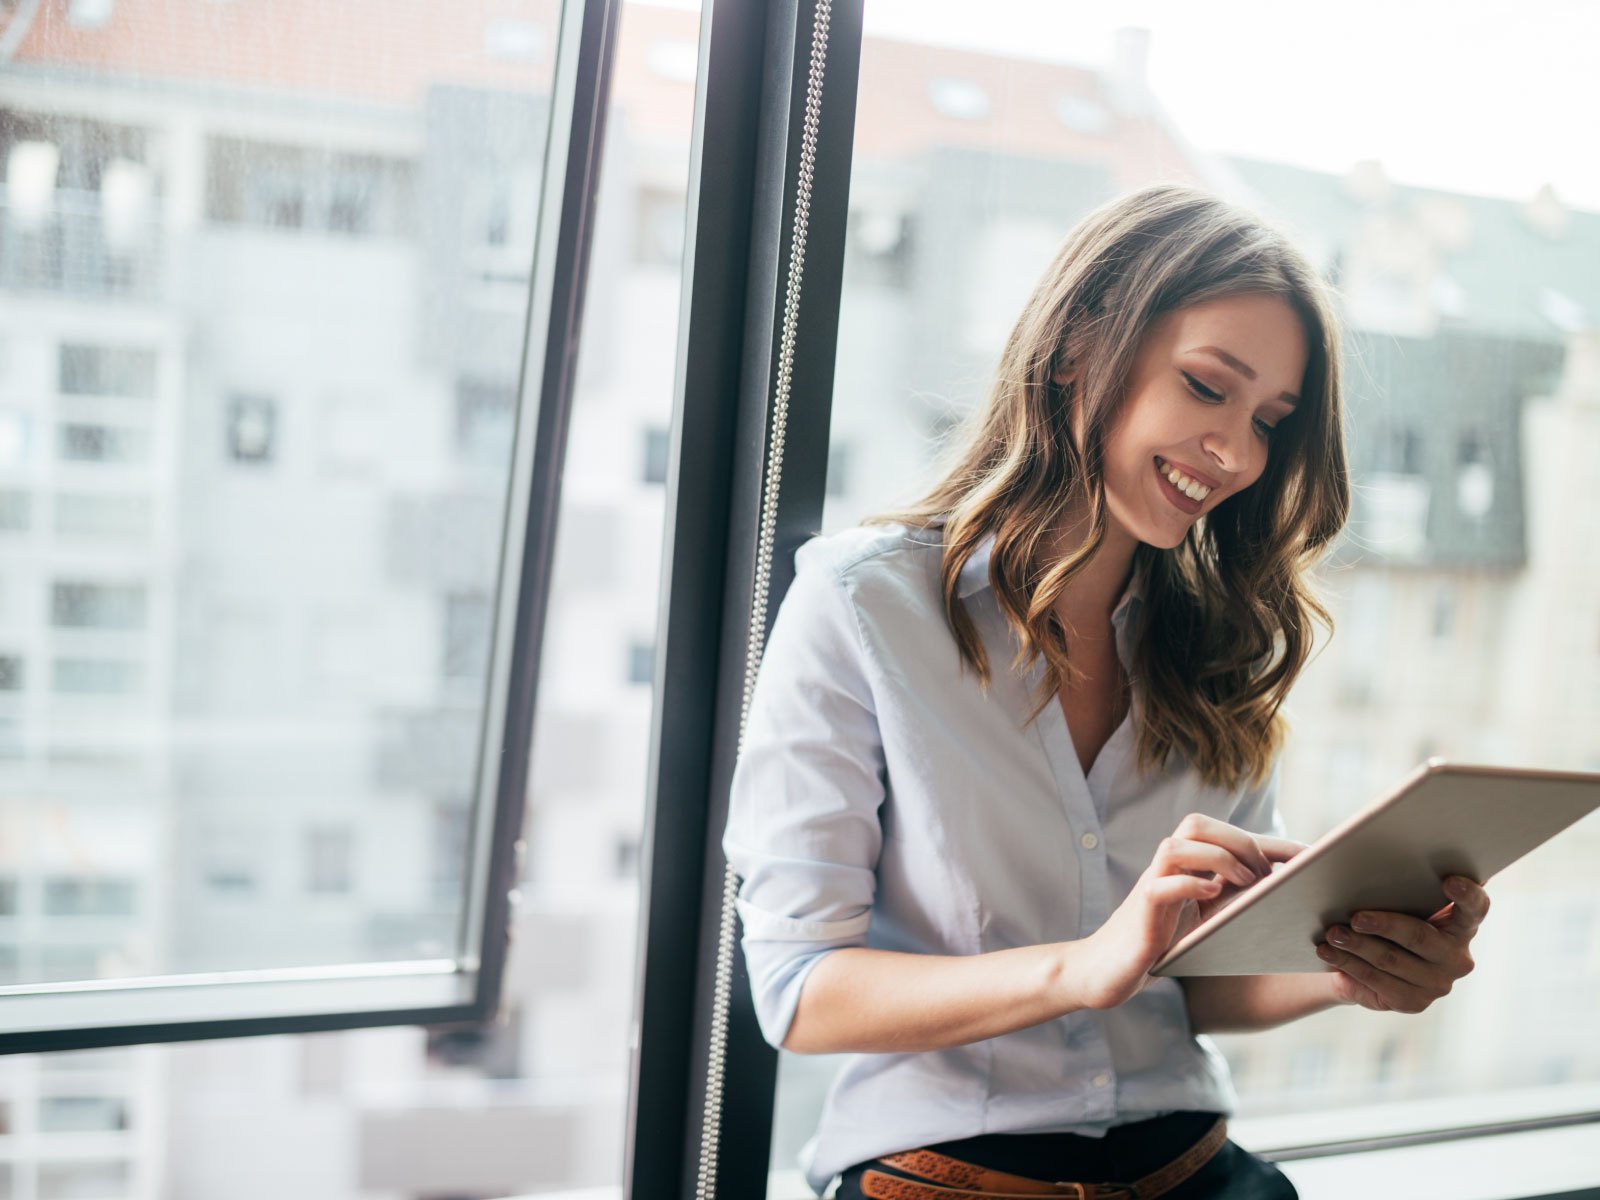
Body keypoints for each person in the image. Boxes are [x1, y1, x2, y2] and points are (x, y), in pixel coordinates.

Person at [721, 184, 1491, 1200]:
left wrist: (1355, 971)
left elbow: (1197, 986)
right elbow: (799, 990)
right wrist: (1082, 964)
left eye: (1268, 420)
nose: (1238, 453)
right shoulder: (863, 605)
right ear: (1080, 345)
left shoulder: (1214, 642)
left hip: (1198, 1168)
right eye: (1207, 388)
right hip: (947, 1173)